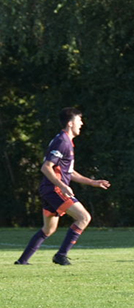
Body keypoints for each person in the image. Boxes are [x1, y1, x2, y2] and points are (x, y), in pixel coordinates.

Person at [14, 108, 110, 266]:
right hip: (54, 190)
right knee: (83, 217)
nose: (82, 123)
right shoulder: (62, 142)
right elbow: (46, 167)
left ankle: (22, 261)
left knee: (48, 229)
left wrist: (93, 182)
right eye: (79, 120)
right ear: (71, 123)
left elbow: (69, 172)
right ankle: (61, 255)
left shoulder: (66, 141)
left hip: (49, 189)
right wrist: (62, 186)